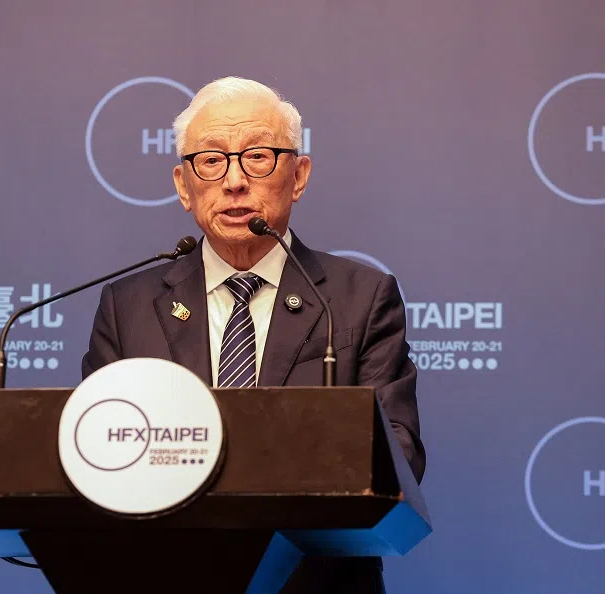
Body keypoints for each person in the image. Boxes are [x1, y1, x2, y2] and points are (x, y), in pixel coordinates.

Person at [82, 76, 425, 594]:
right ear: (183, 185)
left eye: (258, 157)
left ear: (298, 175)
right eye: (211, 160)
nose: (234, 181)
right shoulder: (126, 307)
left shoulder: (361, 298)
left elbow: (399, 454)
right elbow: (97, 452)